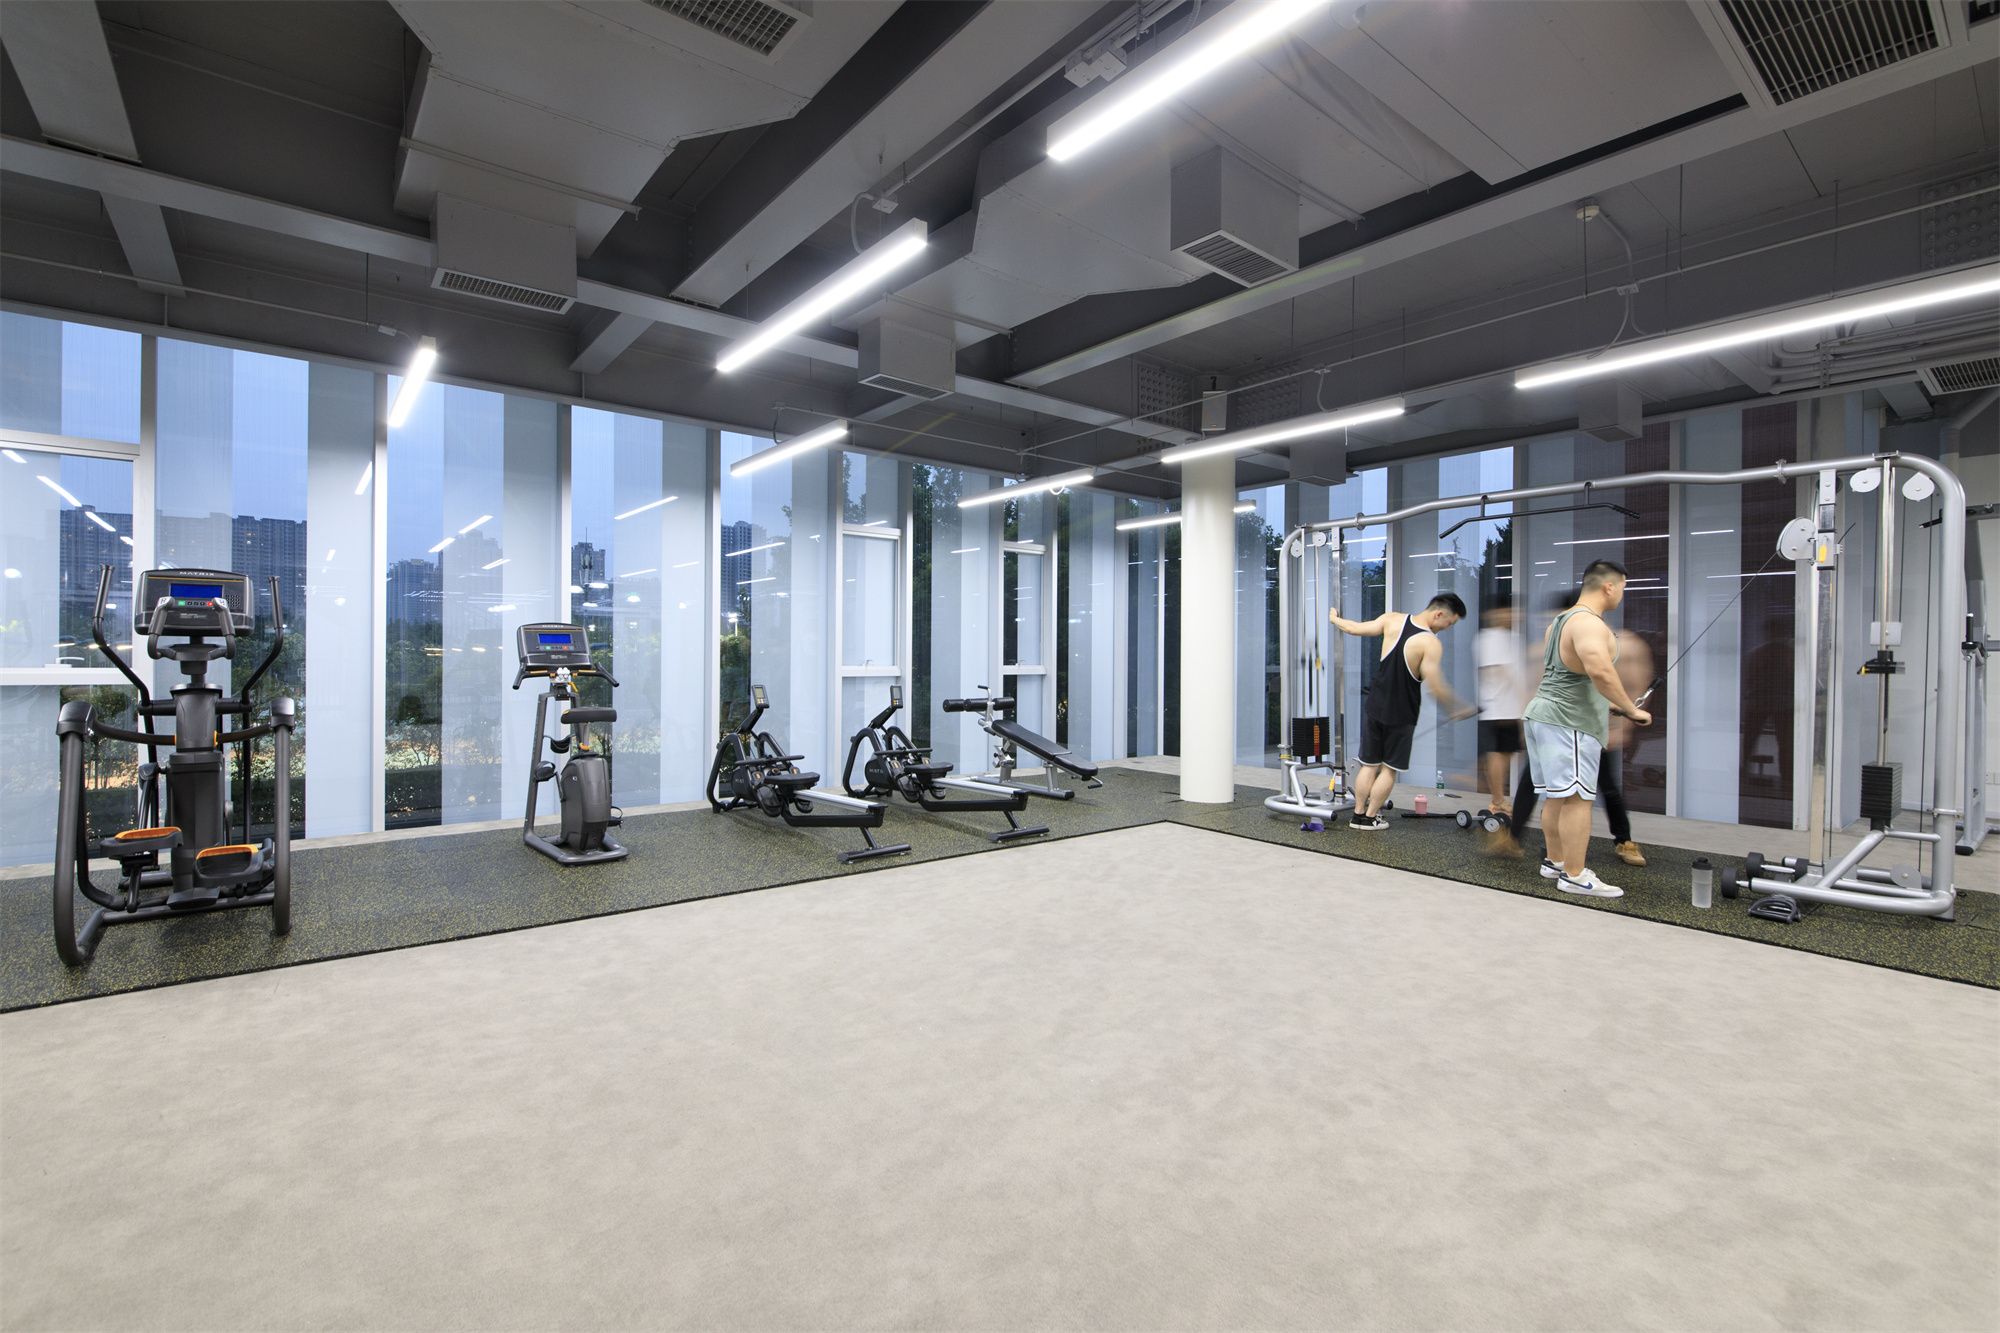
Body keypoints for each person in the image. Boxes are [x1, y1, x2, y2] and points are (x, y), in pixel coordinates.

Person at [1518, 560, 1651, 897]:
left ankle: (1555, 861)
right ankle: (1575, 876)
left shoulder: (1559, 622)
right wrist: (1630, 708)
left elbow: (1568, 675)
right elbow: (1600, 670)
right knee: (1578, 800)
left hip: (1545, 716)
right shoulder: (1589, 624)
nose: (1622, 594)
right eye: (1623, 587)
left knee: (1557, 796)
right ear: (1609, 586)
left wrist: (1607, 705)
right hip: (1569, 722)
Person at [1487, 597, 1650, 868]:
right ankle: (1516, 840)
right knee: (1534, 783)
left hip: (1590, 728)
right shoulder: (1545, 647)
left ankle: (1623, 840)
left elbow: (1632, 682)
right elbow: (1532, 685)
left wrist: (1626, 721)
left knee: (1605, 786)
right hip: (1551, 725)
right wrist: (1528, 726)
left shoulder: (1615, 643)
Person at [1329, 592, 1475, 832]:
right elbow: (1436, 686)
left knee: (1368, 765)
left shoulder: (1392, 619)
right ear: (1439, 614)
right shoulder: (1430, 643)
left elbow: (1354, 628)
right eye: (1449, 623)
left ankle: (1358, 815)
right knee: (1388, 769)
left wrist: (1334, 619)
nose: (1447, 628)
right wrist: (1457, 708)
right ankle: (1371, 817)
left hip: (1376, 705)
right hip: (1402, 712)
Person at [1476, 603, 1525, 818]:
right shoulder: (1488, 639)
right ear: (1492, 613)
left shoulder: (1513, 638)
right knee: (1498, 754)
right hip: (1497, 708)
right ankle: (1497, 800)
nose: (1510, 615)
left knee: (1507, 753)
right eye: (1505, 610)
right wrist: (1523, 696)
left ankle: (1499, 799)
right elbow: (1498, 671)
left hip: (1513, 708)